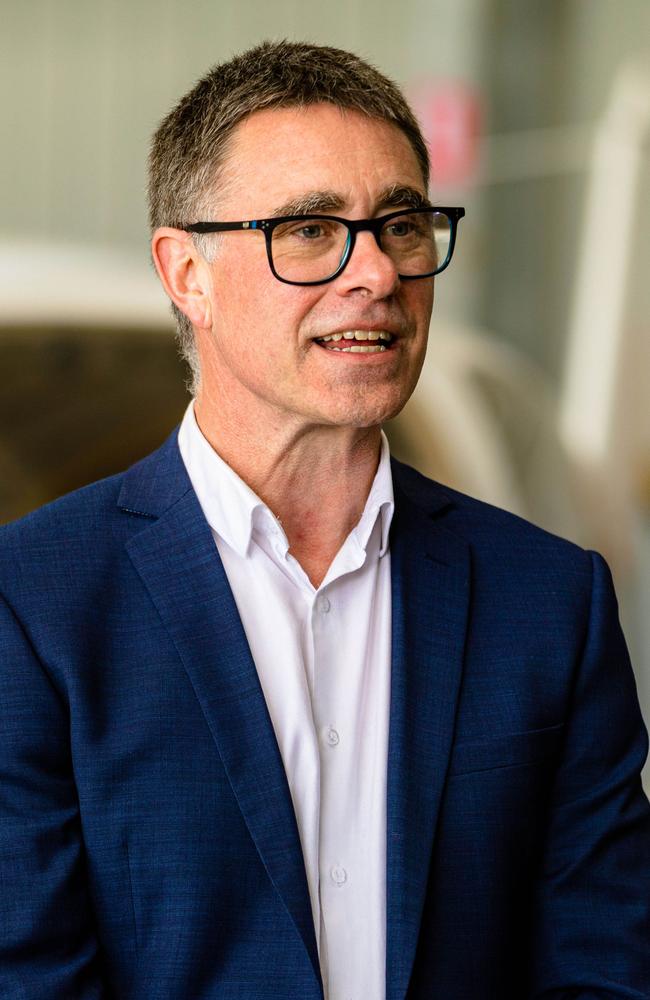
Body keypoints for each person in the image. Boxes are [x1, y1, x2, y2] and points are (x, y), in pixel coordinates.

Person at [0, 39, 648, 1000]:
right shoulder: (34, 602)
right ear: (188, 273)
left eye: (403, 225)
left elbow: (609, 966)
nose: (377, 273)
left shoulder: (551, 601)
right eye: (309, 228)